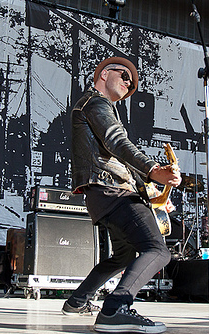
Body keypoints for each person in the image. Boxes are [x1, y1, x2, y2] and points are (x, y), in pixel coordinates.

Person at [61, 56, 181, 334]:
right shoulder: (95, 102)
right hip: (111, 191)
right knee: (158, 251)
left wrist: (155, 192)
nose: (129, 84)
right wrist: (154, 170)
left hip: (104, 195)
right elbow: (117, 141)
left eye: (131, 84)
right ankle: (115, 309)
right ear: (103, 74)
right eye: (124, 76)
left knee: (123, 256)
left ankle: (77, 301)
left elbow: (119, 160)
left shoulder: (98, 107)